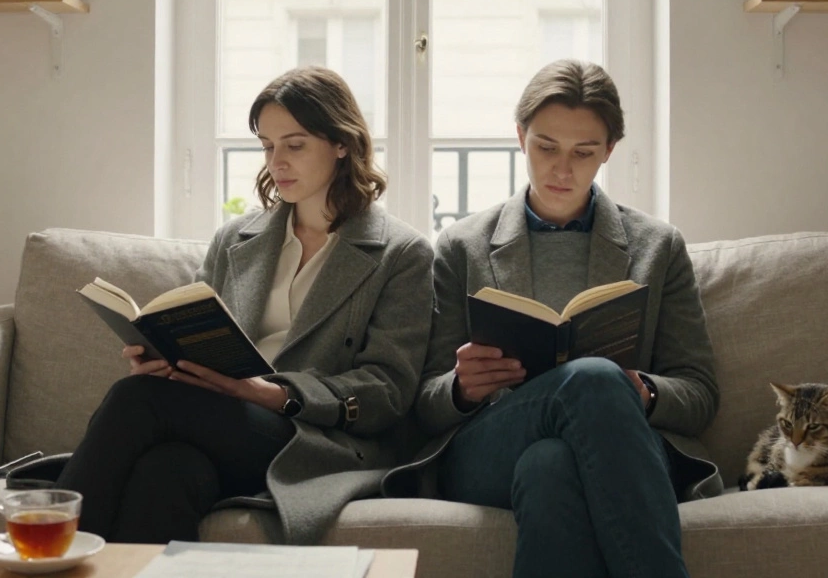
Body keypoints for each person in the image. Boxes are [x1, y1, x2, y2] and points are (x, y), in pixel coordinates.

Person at [55, 65, 434, 546]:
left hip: (308, 439)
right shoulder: (236, 239)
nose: (278, 162)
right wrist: (161, 356)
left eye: (295, 145)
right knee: (166, 470)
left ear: (342, 143)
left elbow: (388, 391)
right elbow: (191, 320)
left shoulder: (402, 254)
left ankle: (46, 552)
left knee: (137, 401)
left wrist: (275, 394)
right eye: (267, 146)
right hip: (220, 425)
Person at [392, 59, 721, 578]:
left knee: (550, 466)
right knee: (590, 381)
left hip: (618, 448)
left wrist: (644, 393)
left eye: (584, 152)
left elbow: (700, 394)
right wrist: (460, 388)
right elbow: (424, 406)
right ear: (520, 137)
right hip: (489, 449)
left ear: (609, 151)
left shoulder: (658, 247)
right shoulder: (462, 247)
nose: (562, 170)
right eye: (546, 147)